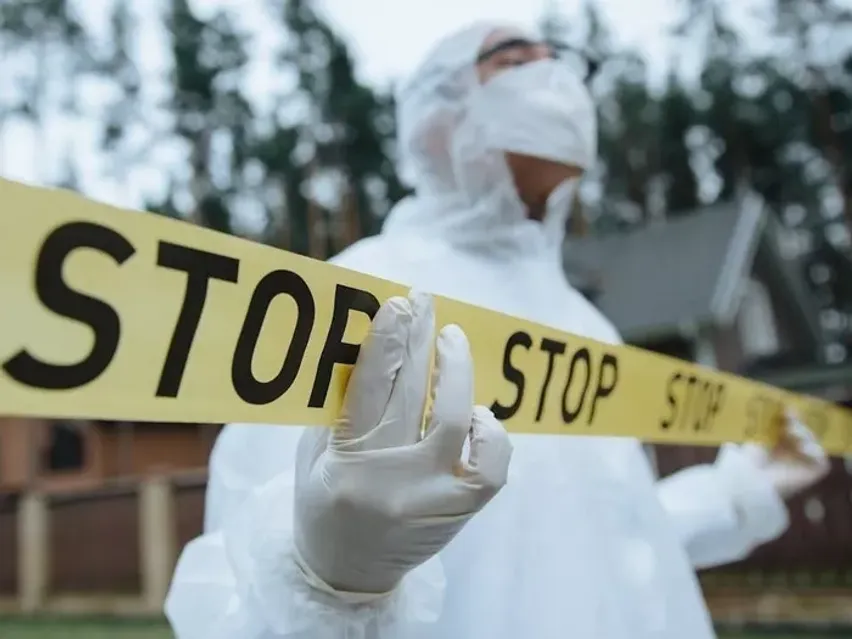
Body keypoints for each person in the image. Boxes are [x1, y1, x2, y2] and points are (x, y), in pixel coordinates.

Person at [164, 22, 831, 639]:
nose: (556, 81)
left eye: (562, 64)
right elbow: (228, 598)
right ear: (432, 122)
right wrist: (324, 585)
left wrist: (739, 493)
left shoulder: (589, 328)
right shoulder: (361, 293)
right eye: (513, 63)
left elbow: (610, 543)